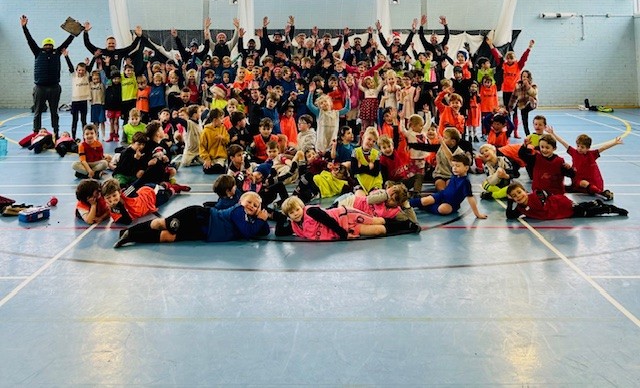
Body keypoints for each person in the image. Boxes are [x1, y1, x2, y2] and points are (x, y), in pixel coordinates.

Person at [113, 192, 270, 247]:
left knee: (168, 237)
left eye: (256, 206)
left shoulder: (251, 220)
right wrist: (260, 219)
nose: (251, 206)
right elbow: (248, 232)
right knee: (163, 224)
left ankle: (131, 237)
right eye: (249, 202)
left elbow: (265, 231)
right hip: (199, 217)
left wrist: (260, 217)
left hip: (203, 232)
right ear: (241, 201)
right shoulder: (238, 211)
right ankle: (129, 231)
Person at [21, 14, 74, 139]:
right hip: (40, 87)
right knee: (37, 112)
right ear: (43, 46)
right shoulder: (37, 52)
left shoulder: (57, 52)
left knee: (54, 112)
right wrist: (24, 27)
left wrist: (73, 33)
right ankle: (36, 133)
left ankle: (56, 132)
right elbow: (30, 40)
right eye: (46, 45)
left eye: (50, 45)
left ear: (53, 46)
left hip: (54, 87)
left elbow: (67, 43)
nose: (48, 46)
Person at [280, 195, 413, 240]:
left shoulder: (310, 211)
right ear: (289, 216)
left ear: (302, 207)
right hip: (344, 229)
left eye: (297, 209)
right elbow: (280, 232)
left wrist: (344, 235)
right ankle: (405, 225)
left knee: (378, 220)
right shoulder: (296, 226)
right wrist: (278, 217)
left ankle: (406, 223)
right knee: (379, 230)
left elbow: (329, 221)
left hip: (345, 216)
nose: (296, 213)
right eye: (291, 213)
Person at [548, 127, 622, 200]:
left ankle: (602, 193)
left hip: (591, 181)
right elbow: (563, 142)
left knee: (585, 184)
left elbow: (603, 148)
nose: (579, 148)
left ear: (588, 148)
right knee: (581, 183)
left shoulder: (592, 154)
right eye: (578, 146)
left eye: (582, 147)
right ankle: (601, 193)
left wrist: (614, 143)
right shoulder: (574, 152)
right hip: (578, 180)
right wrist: (553, 133)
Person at [409, 153, 487, 219]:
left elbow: (470, 198)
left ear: (466, 168)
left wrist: (477, 214)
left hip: (452, 204)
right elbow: (450, 157)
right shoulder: (455, 174)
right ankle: (406, 204)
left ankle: (423, 206)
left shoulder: (465, 182)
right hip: (442, 195)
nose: (454, 168)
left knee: (443, 209)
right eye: (453, 166)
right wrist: (443, 143)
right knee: (425, 201)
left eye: (457, 166)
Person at [505, 182, 627, 220]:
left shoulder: (536, 195)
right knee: (581, 208)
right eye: (514, 196)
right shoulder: (520, 208)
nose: (518, 196)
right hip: (559, 214)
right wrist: (510, 202)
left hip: (561, 205)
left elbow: (545, 193)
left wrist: (543, 200)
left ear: (524, 191)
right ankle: (595, 203)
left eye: (519, 192)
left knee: (584, 212)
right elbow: (510, 216)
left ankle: (610, 209)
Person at [101, 178, 175, 225]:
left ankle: (167, 186)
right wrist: (120, 206)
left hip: (151, 195)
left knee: (168, 194)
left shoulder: (126, 193)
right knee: (165, 192)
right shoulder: (113, 209)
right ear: (104, 198)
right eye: (108, 198)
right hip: (149, 202)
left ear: (120, 192)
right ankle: (164, 185)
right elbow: (127, 221)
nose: (112, 200)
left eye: (114, 195)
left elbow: (139, 182)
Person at [508, 70, 538, 137]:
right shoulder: (518, 86)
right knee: (524, 121)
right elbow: (514, 97)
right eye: (523, 76)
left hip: (531, 103)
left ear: (529, 78)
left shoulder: (533, 85)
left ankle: (532, 103)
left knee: (531, 100)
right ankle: (528, 135)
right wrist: (510, 107)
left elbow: (534, 93)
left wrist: (527, 85)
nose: (525, 78)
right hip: (522, 105)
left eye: (526, 77)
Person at [199, 108, 229, 174]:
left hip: (221, 157)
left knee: (219, 166)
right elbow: (202, 147)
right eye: (221, 118)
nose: (222, 121)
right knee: (206, 169)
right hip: (210, 157)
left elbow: (227, 141)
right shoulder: (206, 131)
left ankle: (223, 167)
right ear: (215, 120)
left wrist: (222, 138)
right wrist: (207, 159)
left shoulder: (223, 128)